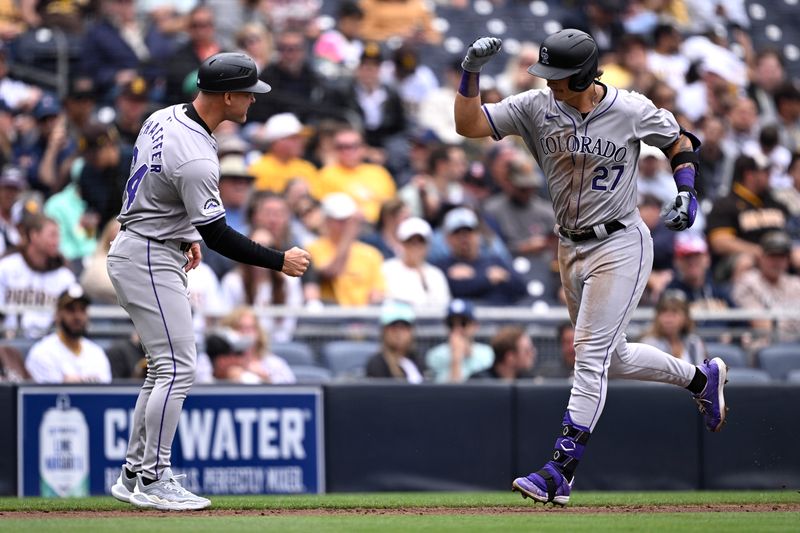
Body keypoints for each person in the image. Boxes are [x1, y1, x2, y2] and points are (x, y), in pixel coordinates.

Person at [454, 30, 728, 506]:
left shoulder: (629, 108)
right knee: (612, 358)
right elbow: (469, 126)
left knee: (588, 354)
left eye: (556, 76)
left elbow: (680, 140)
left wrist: (687, 188)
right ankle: (702, 380)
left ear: (582, 75)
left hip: (621, 240)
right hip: (569, 245)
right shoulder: (536, 106)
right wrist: (470, 73)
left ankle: (560, 471)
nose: (548, 82)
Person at [108, 52, 311, 512]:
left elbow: (156, 185)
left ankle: (134, 473)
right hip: (147, 254)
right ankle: (155, 477)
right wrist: (279, 260)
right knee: (178, 368)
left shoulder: (165, 115)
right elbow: (218, 234)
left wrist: (181, 232)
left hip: (147, 242)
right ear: (227, 96)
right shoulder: (198, 155)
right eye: (249, 94)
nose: (253, 102)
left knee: (164, 368)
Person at [0, 214, 76, 338]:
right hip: (8, 342)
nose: (56, 241)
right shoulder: (6, 267)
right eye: (52, 235)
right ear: (34, 235)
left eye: (58, 236)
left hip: (50, 343)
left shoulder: (64, 276)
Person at [307, 192, 384, 306]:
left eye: (348, 220)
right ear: (327, 221)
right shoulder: (314, 248)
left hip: (364, 316)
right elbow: (331, 272)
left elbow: (379, 290)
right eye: (340, 221)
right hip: (332, 317)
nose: (346, 225)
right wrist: (349, 235)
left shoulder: (371, 254)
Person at [24, 284, 112, 383]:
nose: (77, 316)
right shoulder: (42, 353)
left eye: (82, 310)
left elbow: (106, 394)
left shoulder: (97, 353)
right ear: (57, 315)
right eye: (71, 309)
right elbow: (47, 396)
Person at [731, 231, 800, 344]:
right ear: (761, 257)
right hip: (765, 347)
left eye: (781, 257)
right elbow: (763, 327)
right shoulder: (748, 282)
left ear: (788, 260)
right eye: (772, 256)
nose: (777, 262)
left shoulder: (796, 284)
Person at [381, 216, 450, 309]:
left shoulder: (435, 274)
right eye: (410, 242)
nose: (415, 247)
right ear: (401, 243)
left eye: (420, 242)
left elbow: (442, 306)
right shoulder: (387, 269)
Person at [425, 298, 493, 383]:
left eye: (463, 323)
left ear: (475, 325)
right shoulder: (435, 355)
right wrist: (456, 360)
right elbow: (449, 392)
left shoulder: (487, 354)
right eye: (451, 324)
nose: (457, 329)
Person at [639, 290, 707, 366]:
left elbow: (703, 373)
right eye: (664, 312)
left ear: (685, 317)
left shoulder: (694, 343)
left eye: (674, 312)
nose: (668, 319)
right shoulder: (649, 344)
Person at [365, 300, 424, 382]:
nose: (398, 333)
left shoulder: (418, 360)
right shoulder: (377, 363)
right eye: (393, 328)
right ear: (384, 332)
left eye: (403, 328)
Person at [469, 325, 537, 381]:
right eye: (527, 350)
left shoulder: (529, 381)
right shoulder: (479, 381)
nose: (533, 353)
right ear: (510, 357)